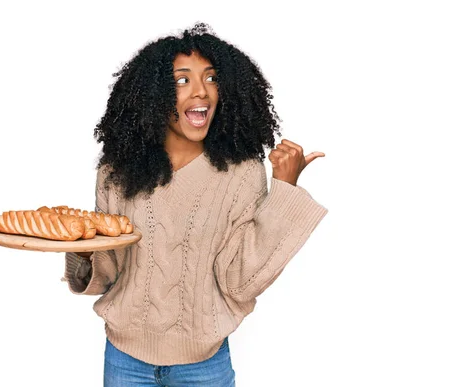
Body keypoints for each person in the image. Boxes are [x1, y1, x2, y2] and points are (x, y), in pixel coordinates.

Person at [63, 22, 328, 386]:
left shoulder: (242, 173)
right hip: (125, 358)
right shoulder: (117, 170)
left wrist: (285, 189)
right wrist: (80, 247)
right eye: (182, 80)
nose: (201, 91)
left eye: (211, 77)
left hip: (204, 365)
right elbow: (110, 268)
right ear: (154, 94)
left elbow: (240, 281)